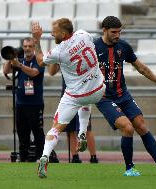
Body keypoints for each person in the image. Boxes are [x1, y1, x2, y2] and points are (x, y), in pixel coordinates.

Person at [94, 16, 156, 176]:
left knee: (141, 125)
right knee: (127, 127)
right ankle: (130, 168)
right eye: (114, 32)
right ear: (104, 30)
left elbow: (142, 68)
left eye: (119, 32)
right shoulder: (93, 46)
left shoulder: (123, 46)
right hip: (104, 97)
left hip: (123, 94)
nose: (117, 35)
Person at [31, 18, 105, 178]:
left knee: (55, 127)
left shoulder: (59, 51)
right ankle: (82, 132)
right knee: (88, 99)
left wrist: (37, 40)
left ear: (63, 33)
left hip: (76, 95)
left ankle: (45, 156)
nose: (51, 34)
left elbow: (39, 60)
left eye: (54, 32)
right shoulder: (83, 34)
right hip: (98, 89)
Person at [3, 37, 45, 162]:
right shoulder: (19, 60)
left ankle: (40, 156)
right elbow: (6, 71)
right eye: (25, 46)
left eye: (30, 46)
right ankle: (23, 156)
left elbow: (33, 73)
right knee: (22, 132)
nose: (27, 49)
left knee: (37, 131)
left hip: (35, 103)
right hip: (20, 103)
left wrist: (20, 65)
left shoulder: (38, 61)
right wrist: (10, 57)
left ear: (33, 48)